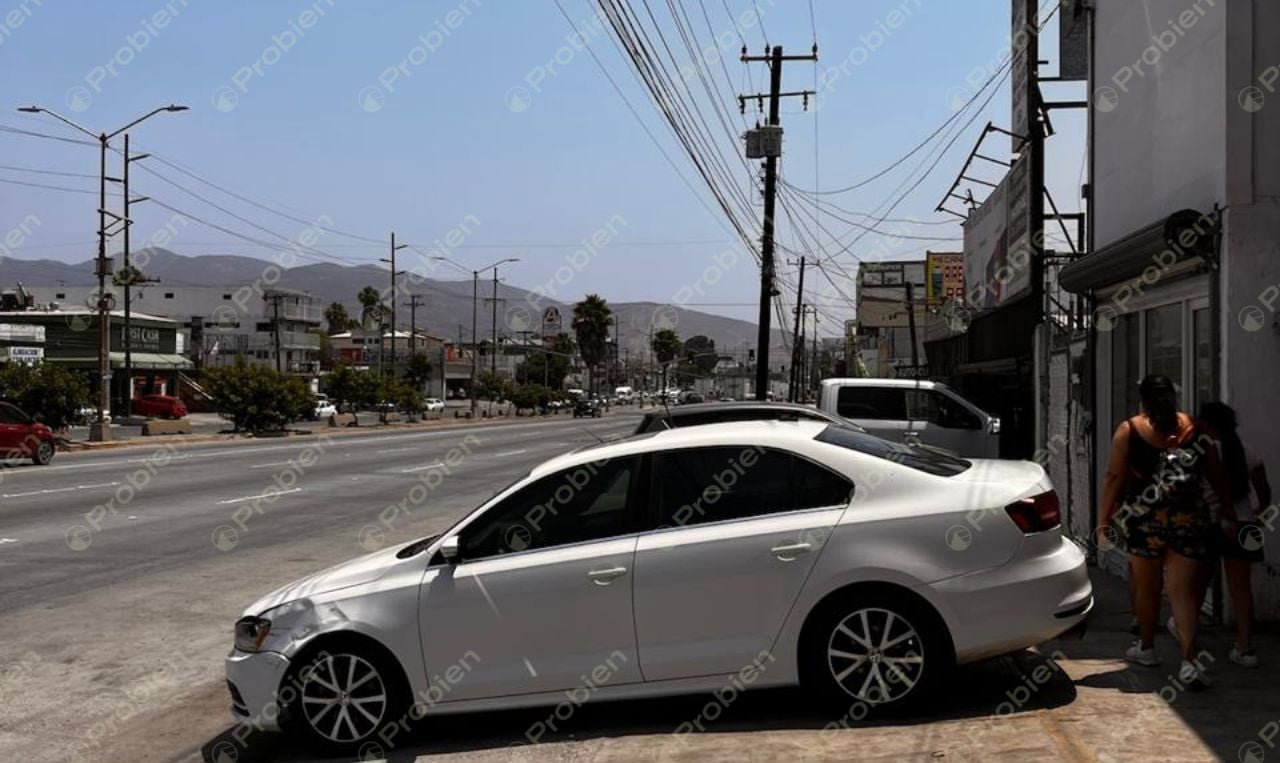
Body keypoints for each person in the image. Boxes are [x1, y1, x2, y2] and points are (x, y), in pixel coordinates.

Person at [1097, 375, 1233, 689]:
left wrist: (1104, 520)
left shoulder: (1129, 430)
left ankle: (1146, 648)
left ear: (1143, 401)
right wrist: (1226, 510)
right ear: (1174, 397)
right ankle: (1189, 661)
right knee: (1182, 593)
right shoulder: (1196, 427)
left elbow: (1114, 477)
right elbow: (1215, 473)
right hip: (1190, 519)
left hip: (1146, 521)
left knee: (1147, 588)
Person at [1200, 402, 1271, 668]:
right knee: (1241, 590)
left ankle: (1188, 637)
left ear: (1208, 424)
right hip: (1244, 524)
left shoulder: (1205, 451)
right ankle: (1245, 647)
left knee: (1195, 583)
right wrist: (1259, 514)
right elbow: (1264, 490)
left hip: (1213, 523)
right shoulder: (1246, 449)